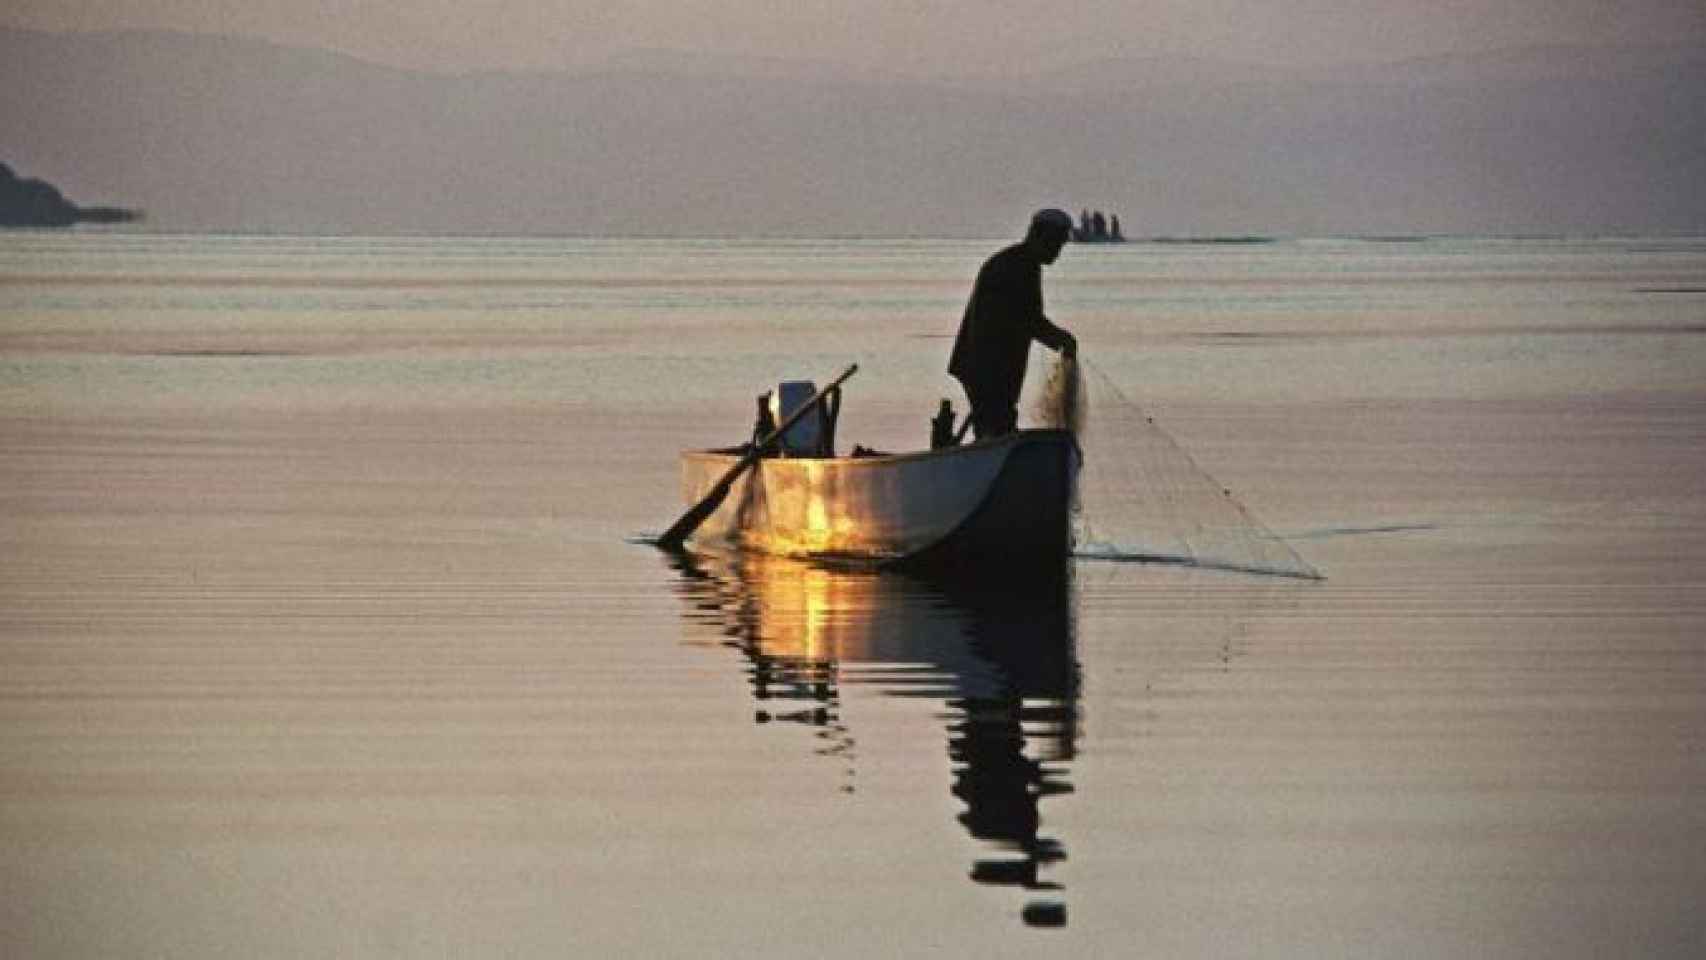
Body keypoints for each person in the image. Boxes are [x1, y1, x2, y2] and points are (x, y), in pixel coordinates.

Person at [948, 209, 1078, 440]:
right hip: (986, 366)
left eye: (1061, 245)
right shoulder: (1016, 267)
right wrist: (1061, 340)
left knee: (996, 425)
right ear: (1038, 236)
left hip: (994, 367)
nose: (1058, 252)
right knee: (995, 427)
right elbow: (1028, 319)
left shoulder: (1022, 263)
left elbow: (1026, 320)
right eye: (1055, 243)